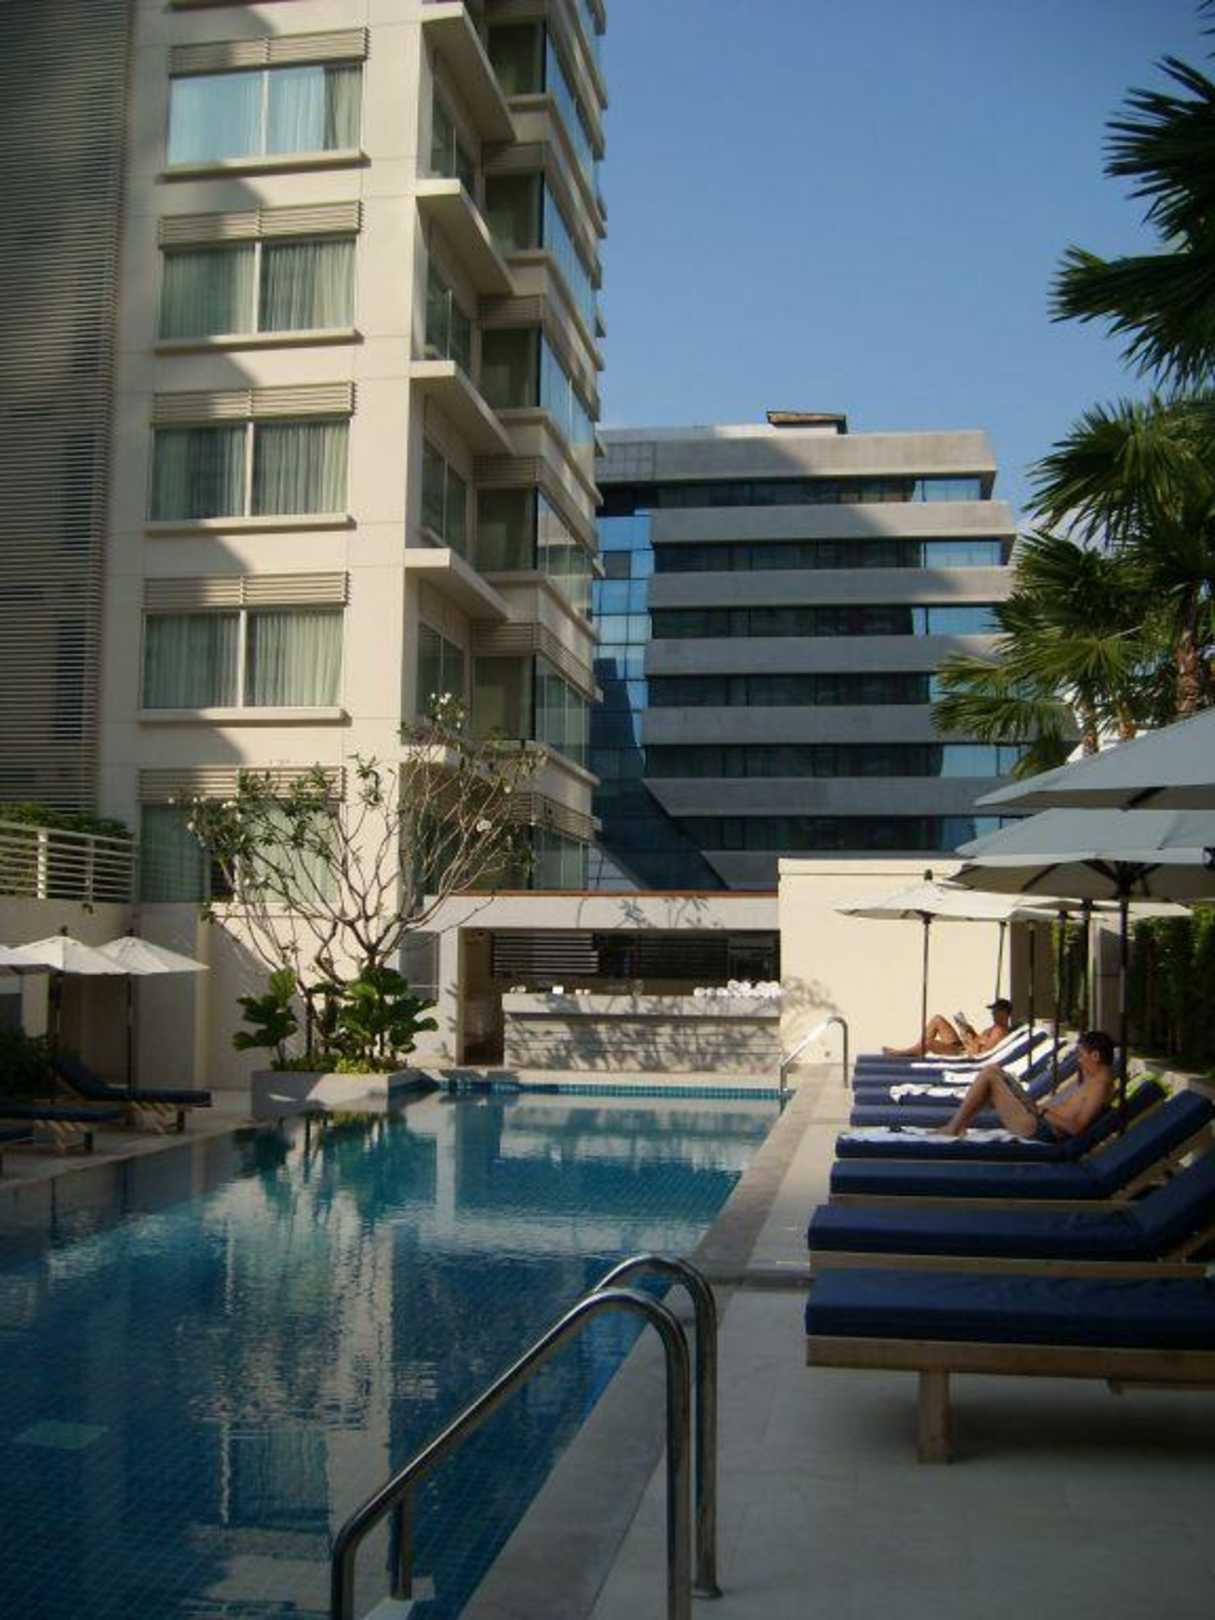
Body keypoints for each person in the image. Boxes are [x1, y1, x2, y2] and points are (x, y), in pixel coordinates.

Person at [942, 1029, 1116, 1140]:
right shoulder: (1094, 1080)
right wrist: (1037, 1108)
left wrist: (1042, 1111)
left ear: (1095, 1056)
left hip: (1038, 1128)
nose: (1079, 1061)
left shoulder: (1100, 1087)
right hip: (1038, 1119)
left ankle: (953, 1128)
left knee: (989, 1074)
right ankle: (958, 1125)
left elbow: (1076, 1128)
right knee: (994, 1069)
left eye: (1081, 1055)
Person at [882, 998, 1013, 1059]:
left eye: (995, 1011)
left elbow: (980, 1054)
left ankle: (903, 1053)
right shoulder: (994, 1028)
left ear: (1004, 1013)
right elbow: (980, 1040)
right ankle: (918, 1049)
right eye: (993, 1011)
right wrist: (970, 1031)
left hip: (962, 1052)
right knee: (937, 1019)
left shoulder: (999, 1032)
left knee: (929, 1043)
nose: (992, 1013)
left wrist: (968, 1039)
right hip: (963, 1046)